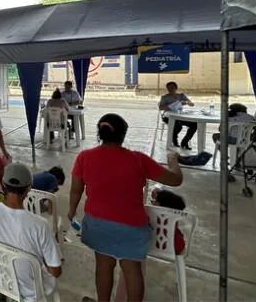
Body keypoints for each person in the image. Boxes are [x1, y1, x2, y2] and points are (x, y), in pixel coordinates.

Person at [68, 113, 183, 301]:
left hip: (97, 224)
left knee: (103, 267)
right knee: (132, 270)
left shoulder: (84, 157)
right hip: (131, 227)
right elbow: (175, 180)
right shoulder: (138, 159)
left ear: (100, 133)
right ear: (123, 136)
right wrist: (173, 162)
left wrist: (71, 210)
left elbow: (75, 190)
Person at [0, 163, 62, 300]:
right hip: (31, 289)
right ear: (29, 189)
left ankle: (2, 294)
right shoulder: (40, 225)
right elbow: (55, 271)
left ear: (3, 183)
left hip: (1, 277)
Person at [159, 81, 197, 150]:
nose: (170, 89)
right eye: (169, 88)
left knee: (194, 124)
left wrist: (187, 103)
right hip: (168, 117)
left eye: (172, 88)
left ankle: (184, 142)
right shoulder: (165, 97)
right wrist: (171, 105)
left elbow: (191, 103)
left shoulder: (181, 96)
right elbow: (160, 108)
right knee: (178, 126)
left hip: (180, 116)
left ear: (176, 88)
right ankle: (174, 140)